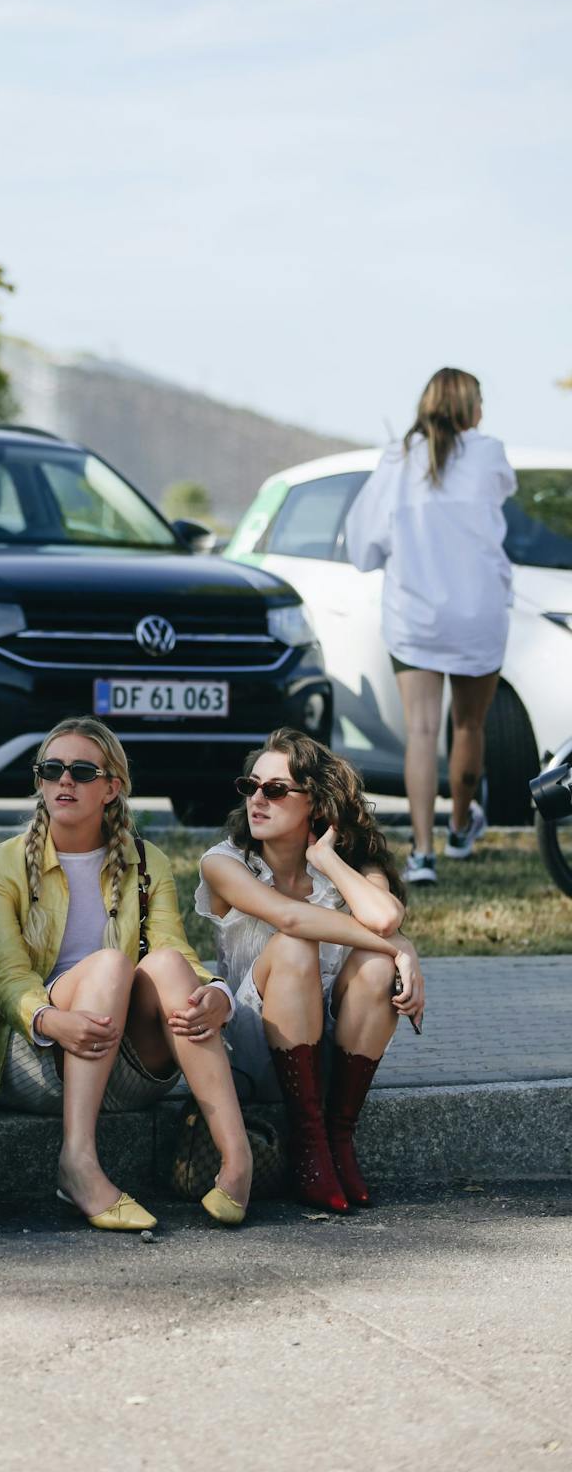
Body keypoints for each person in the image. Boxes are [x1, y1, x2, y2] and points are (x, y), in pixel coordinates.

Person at [0, 715, 253, 1232]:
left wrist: (217, 994)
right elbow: (4, 975)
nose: (64, 780)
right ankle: (77, 1162)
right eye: (51, 769)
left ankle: (237, 1160)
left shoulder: (146, 861)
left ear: (112, 788)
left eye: (81, 771)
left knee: (166, 965)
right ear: (39, 780)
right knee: (112, 964)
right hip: (38, 1058)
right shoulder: (1, 863)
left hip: (127, 1062)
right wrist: (51, 1020)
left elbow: (172, 947)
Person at [196, 728, 424, 1213]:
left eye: (276, 790)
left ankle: (338, 1137)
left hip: (330, 1054)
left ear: (316, 804)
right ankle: (309, 1141)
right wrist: (400, 948)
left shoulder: (353, 865)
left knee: (375, 967)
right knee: (296, 945)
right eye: (250, 786)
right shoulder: (224, 862)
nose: (258, 799)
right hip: (252, 1049)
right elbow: (291, 918)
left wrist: (327, 860)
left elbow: (384, 917)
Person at [345, 367, 517, 885]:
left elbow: (364, 546)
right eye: (480, 400)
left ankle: (422, 853)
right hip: (478, 613)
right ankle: (460, 829)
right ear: (467, 407)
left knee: (420, 730)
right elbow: (501, 495)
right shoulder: (489, 453)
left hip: (415, 615)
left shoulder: (397, 459)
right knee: (469, 725)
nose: (484, 410)